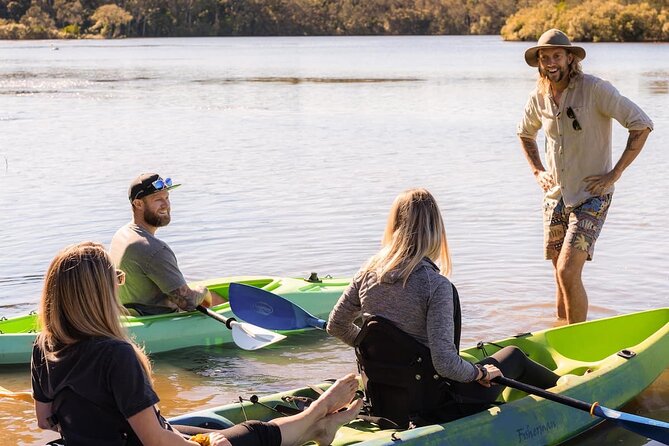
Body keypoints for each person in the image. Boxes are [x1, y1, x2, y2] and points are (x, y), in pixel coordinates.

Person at [31, 241, 363, 446]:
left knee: (210, 424)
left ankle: (319, 422)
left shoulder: (44, 346)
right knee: (251, 432)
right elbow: (154, 440)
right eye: (117, 279)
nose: (120, 286)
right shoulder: (115, 355)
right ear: (98, 294)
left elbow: (45, 420)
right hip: (139, 441)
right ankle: (320, 418)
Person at [326, 188, 559, 422]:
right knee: (514, 355)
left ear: (394, 226)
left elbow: (336, 325)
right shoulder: (435, 285)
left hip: (384, 398)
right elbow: (445, 364)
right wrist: (480, 372)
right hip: (436, 405)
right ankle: (570, 386)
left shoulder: (366, 274)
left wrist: (376, 349)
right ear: (435, 229)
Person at [517, 29, 653, 324]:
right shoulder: (538, 96)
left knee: (568, 271)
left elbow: (641, 125)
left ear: (570, 58)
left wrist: (614, 174)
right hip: (555, 197)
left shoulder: (596, 90)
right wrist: (537, 171)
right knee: (558, 275)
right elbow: (525, 134)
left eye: (556, 55)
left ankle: (579, 341)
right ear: (539, 62)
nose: (551, 62)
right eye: (545, 57)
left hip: (592, 196)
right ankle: (560, 338)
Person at [110, 173, 222, 315]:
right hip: (157, 320)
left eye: (167, 198)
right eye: (158, 199)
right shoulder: (153, 249)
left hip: (131, 314)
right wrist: (203, 290)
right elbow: (187, 302)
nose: (166, 205)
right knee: (212, 297)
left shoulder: (121, 235)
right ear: (138, 204)